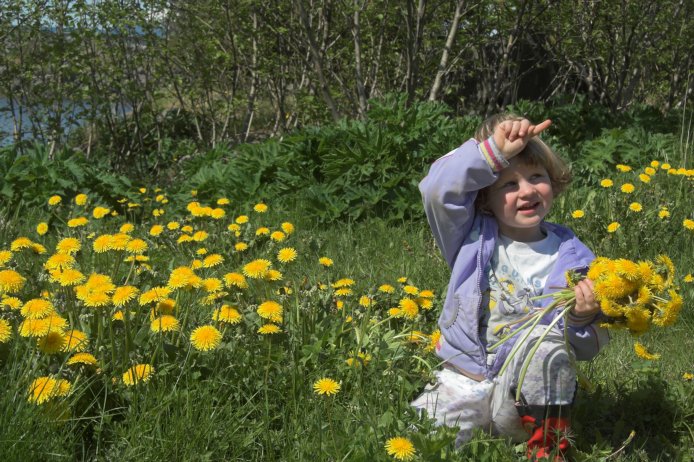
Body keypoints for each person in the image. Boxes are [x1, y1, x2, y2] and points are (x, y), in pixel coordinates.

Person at [411, 114, 610, 460]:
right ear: (485, 199)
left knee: (546, 348)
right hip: (463, 379)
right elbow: (436, 190)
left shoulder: (576, 259)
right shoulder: (469, 237)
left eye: (536, 177)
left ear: (553, 181)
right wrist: (492, 154)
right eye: (509, 184)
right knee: (422, 444)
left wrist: (581, 319)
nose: (527, 191)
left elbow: (590, 346)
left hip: (523, 401)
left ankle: (547, 446)